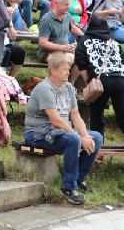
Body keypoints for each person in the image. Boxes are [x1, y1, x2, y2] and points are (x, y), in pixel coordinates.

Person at [24, 51, 102, 205]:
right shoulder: (45, 89)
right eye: (65, 69)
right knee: (73, 139)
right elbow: (56, 120)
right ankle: (68, 187)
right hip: (38, 134)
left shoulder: (68, 87)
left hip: (59, 133)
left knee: (96, 137)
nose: (69, 72)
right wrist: (79, 138)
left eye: (69, 69)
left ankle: (79, 179)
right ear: (53, 70)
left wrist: (85, 136)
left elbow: (76, 116)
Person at [75, 16, 124, 168]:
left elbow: (82, 67)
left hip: (102, 80)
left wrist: (90, 84)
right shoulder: (114, 42)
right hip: (123, 80)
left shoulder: (84, 41)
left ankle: (98, 153)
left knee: (97, 117)